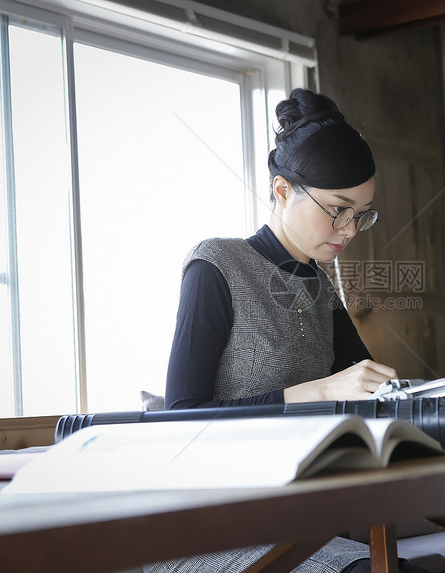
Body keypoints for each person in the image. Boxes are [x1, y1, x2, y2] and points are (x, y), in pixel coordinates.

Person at [153, 89, 429, 573]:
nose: (349, 229)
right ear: (282, 191)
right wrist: (317, 391)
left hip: (301, 518)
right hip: (215, 527)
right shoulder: (216, 266)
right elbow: (181, 419)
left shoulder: (319, 284)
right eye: (337, 209)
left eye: (362, 214)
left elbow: (375, 389)